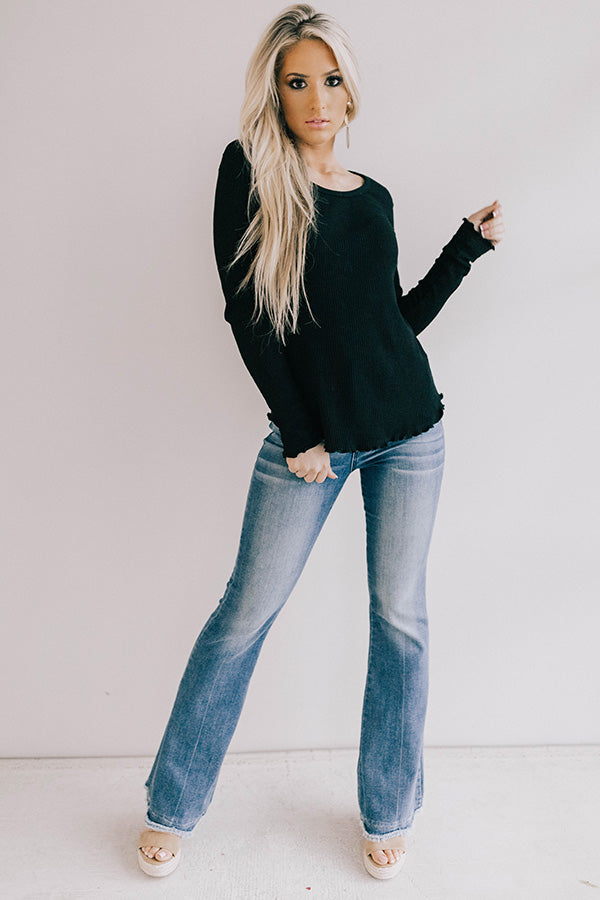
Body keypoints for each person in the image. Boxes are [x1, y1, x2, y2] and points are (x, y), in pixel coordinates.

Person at [137, 2, 504, 882]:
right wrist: (302, 434)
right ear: (275, 91)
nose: (315, 98)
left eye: (329, 79)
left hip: (411, 430)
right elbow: (246, 313)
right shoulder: (250, 171)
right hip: (312, 446)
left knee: (400, 619)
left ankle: (389, 810)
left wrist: (463, 249)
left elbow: (390, 326)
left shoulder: (372, 197)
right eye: (296, 81)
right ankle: (172, 807)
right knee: (243, 615)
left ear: (350, 89)